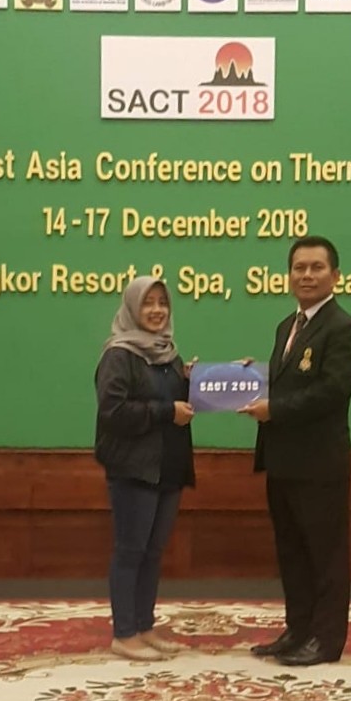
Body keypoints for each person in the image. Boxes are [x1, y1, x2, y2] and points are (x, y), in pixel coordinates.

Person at [240, 236, 351, 666]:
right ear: (289, 275)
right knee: (291, 553)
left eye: (316, 267)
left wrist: (273, 408)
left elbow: (331, 392)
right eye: (299, 268)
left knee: (325, 556)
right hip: (282, 461)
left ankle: (326, 641)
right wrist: (250, 378)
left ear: (335, 275)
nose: (306, 275)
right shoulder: (286, 327)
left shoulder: (345, 329)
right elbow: (289, 384)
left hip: (319, 464)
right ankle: (298, 630)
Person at [95, 276, 195, 660]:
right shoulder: (119, 355)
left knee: (153, 552)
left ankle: (144, 626)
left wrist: (202, 380)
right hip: (133, 469)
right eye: (148, 303)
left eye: (162, 303)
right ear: (132, 308)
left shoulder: (169, 355)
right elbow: (113, 411)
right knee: (130, 550)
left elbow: (179, 405)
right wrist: (167, 411)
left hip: (167, 467)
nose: (156, 310)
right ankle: (124, 633)